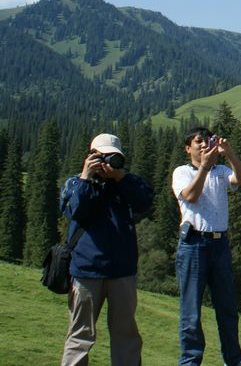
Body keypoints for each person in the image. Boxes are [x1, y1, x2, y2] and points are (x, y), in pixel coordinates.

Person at [60, 132, 155, 366]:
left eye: (112, 158)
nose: (106, 163)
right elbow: (75, 211)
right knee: (80, 335)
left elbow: (144, 202)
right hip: (86, 271)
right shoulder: (76, 183)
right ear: (90, 156)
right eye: (101, 157)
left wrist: (120, 177)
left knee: (126, 336)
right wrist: (86, 176)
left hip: (122, 272)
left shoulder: (127, 184)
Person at [172, 127, 241, 366]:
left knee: (227, 307)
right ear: (187, 148)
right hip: (193, 244)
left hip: (220, 244)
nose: (202, 145)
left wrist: (228, 153)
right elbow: (190, 196)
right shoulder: (182, 172)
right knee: (191, 310)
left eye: (206, 141)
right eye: (197, 141)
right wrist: (205, 167)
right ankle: (190, 360)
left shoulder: (221, 170)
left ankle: (234, 358)